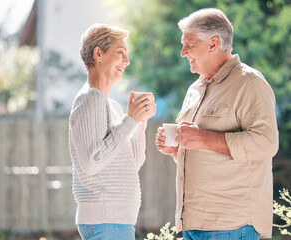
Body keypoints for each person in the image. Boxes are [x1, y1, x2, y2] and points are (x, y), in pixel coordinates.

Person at [154, 8, 278, 240]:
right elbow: (206, 153)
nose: (182, 53)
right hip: (193, 223)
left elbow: (266, 143)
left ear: (212, 44)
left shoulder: (249, 83)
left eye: (189, 45)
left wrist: (202, 137)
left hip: (232, 225)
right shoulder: (195, 89)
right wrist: (177, 152)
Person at [68, 23, 156, 240]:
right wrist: (130, 120)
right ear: (98, 54)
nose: (126, 61)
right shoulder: (91, 99)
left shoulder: (111, 106)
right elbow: (92, 162)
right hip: (106, 222)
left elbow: (131, 163)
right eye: (120, 53)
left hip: (115, 222)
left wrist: (139, 121)